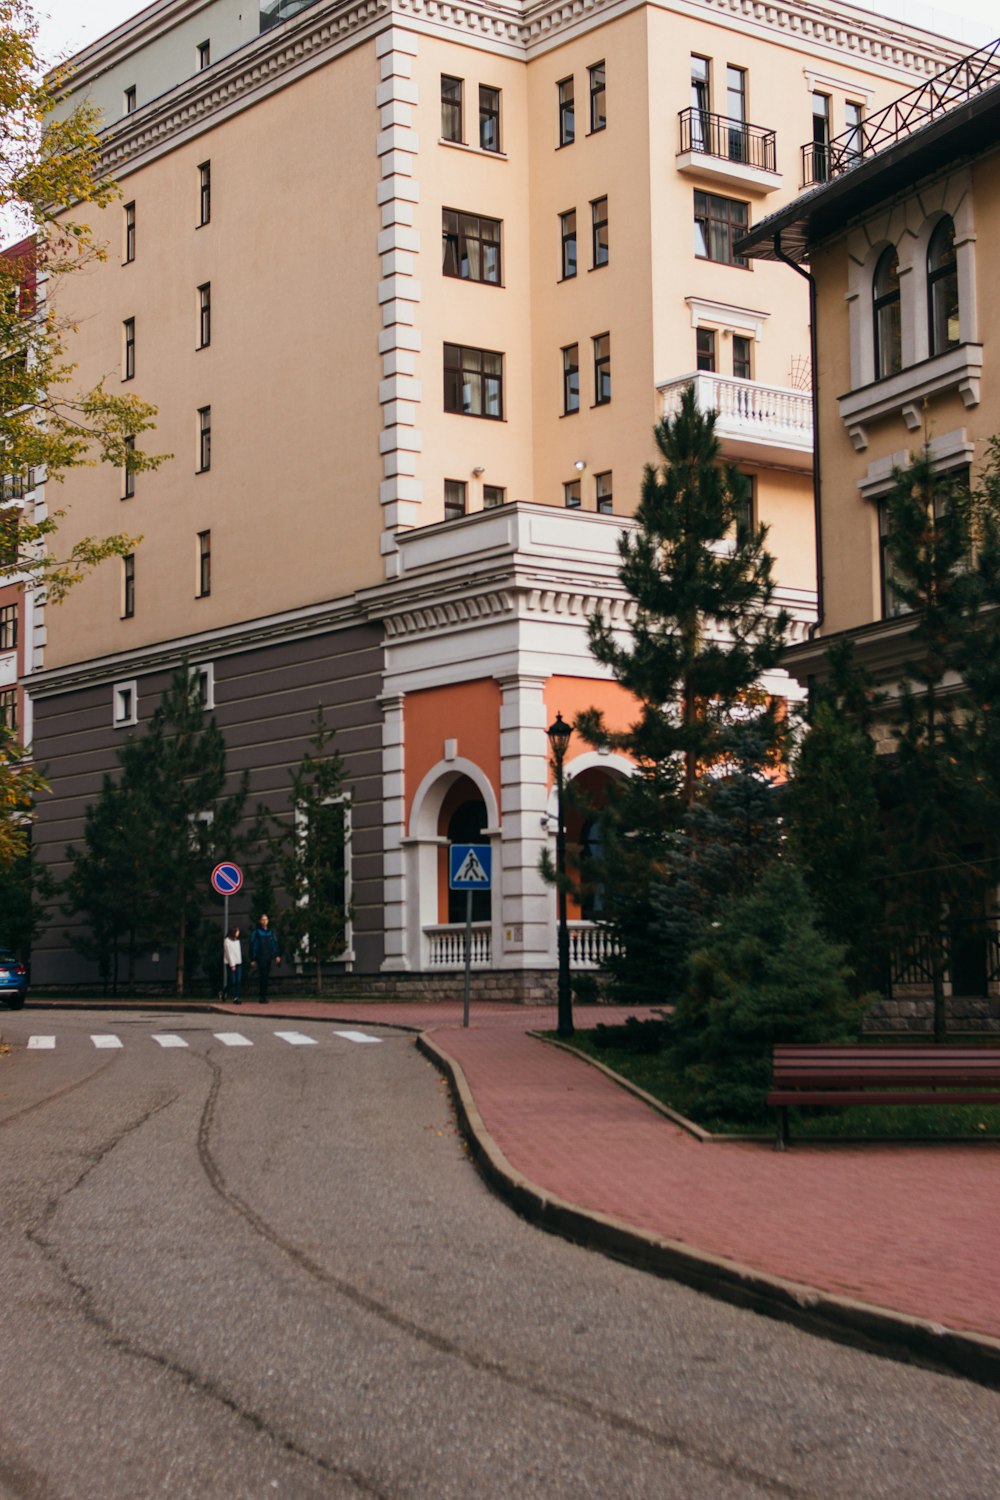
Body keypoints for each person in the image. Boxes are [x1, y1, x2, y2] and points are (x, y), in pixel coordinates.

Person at [249, 913, 280, 1004]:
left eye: (266, 919)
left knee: (266, 976)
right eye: (263, 919)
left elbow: (274, 944)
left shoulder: (270, 932)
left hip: (268, 957)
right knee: (263, 975)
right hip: (260, 956)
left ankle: (264, 995)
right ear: (260, 921)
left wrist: (276, 955)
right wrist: (253, 958)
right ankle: (262, 996)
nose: (264, 921)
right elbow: (253, 945)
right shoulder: (257, 932)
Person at [223, 926, 243, 1004]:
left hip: (238, 962)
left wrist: (239, 961)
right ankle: (224, 992)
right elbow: (229, 953)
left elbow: (238, 952)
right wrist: (232, 964)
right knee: (232, 981)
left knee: (238, 980)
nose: (238, 934)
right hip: (230, 963)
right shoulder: (227, 941)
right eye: (237, 932)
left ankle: (236, 997)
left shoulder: (237, 941)